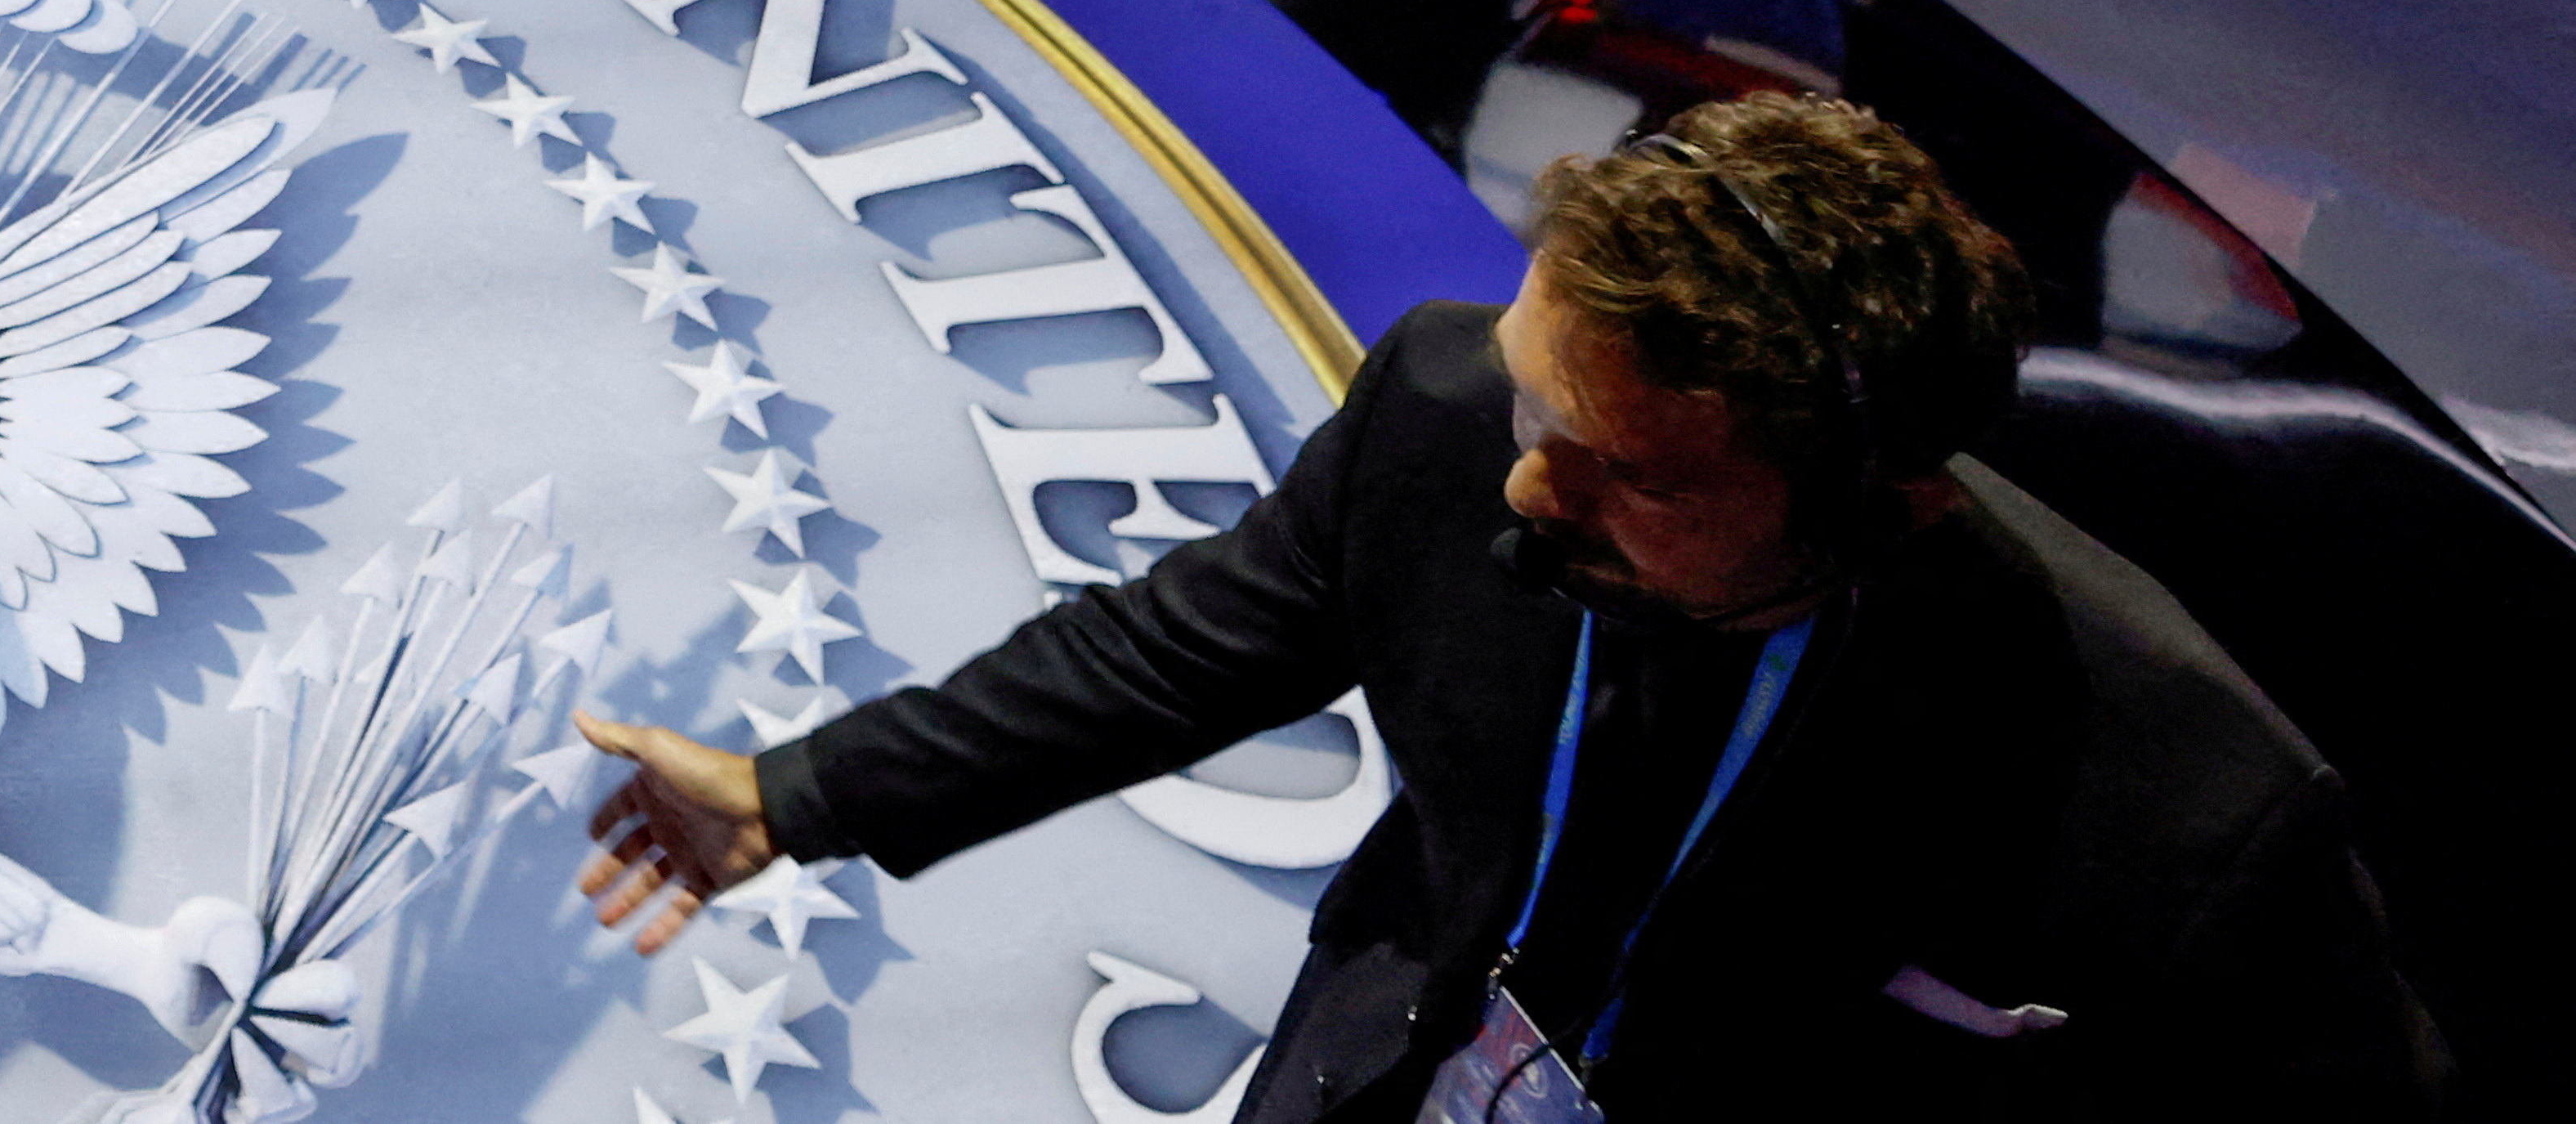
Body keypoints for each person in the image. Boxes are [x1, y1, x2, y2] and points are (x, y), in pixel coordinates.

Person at [566, 94, 2440, 1117]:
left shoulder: (2183, 819)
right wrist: (794, 796)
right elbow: (1175, 648)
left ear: (1890, 506)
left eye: (1625, 469)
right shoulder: (1451, 413)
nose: (1531, 484)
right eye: (1542, 410)